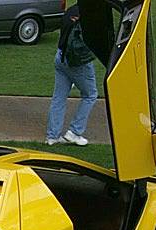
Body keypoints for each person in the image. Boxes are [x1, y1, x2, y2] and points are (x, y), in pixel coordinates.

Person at [45, 4, 97, 146]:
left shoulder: (72, 10)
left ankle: (52, 137)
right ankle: (74, 132)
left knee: (59, 97)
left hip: (60, 57)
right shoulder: (90, 15)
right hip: (76, 62)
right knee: (90, 95)